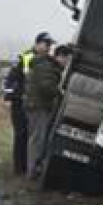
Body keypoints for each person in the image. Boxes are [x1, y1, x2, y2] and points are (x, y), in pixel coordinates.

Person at [25, 39, 72, 178]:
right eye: (67, 60)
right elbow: (46, 87)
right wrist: (59, 91)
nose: (67, 63)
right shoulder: (47, 67)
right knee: (37, 139)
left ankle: (33, 168)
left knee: (37, 138)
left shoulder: (47, 65)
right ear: (60, 57)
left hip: (37, 105)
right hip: (39, 106)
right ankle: (32, 170)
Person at [2, 45, 37, 176]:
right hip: (19, 102)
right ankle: (19, 168)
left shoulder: (37, 58)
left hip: (26, 102)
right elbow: (13, 79)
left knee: (26, 134)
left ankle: (23, 166)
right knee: (21, 134)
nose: (49, 47)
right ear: (38, 44)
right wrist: (12, 96)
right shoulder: (27, 57)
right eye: (47, 44)